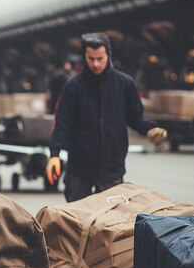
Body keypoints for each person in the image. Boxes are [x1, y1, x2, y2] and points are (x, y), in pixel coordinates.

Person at [46, 32, 167, 203]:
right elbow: (63, 123)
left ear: (108, 55)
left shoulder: (124, 84)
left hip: (112, 169)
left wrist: (151, 129)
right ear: (84, 57)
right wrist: (54, 154)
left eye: (100, 58)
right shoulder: (73, 87)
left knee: (111, 224)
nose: (95, 64)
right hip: (80, 169)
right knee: (76, 223)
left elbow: (136, 118)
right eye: (91, 58)